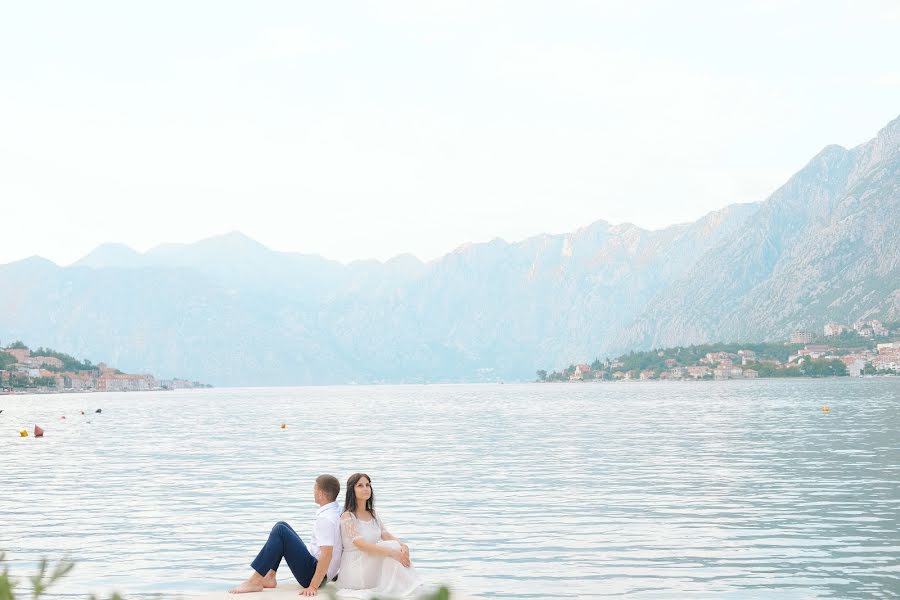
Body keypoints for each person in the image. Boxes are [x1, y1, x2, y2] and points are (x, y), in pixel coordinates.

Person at [229, 474, 343, 596]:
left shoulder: (326, 519)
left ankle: (254, 581)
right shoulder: (337, 510)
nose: (313, 492)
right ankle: (270, 576)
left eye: (314, 489)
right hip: (322, 572)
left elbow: (327, 554)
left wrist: (313, 586)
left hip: (312, 575)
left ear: (320, 493)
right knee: (281, 525)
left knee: (280, 531)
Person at [336, 473, 424, 598]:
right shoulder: (348, 516)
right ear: (352, 490)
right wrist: (392, 551)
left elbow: (386, 535)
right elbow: (361, 545)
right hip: (355, 569)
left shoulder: (373, 513)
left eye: (368, 485)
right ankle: (412, 587)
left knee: (395, 546)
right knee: (391, 548)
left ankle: (412, 586)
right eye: (360, 486)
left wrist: (403, 546)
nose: (366, 488)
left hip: (369, 563)